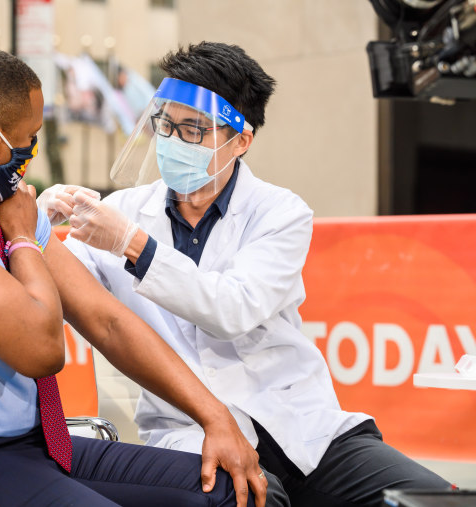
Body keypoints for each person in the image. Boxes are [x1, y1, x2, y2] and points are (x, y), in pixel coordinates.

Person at [40, 42, 452, 506]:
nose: (174, 142)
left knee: (430, 499)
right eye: (166, 125)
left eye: (193, 129)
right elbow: (54, 291)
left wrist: (133, 244)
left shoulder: (280, 213)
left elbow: (232, 308)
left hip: (297, 425)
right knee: (253, 499)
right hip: (191, 431)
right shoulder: (120, 213)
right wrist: (37, 223)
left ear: (241, 140)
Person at [0, 47, 269, 507]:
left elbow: (104, 319)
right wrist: (21, 238)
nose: (34, 148)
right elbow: (42, 349)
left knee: (231, 490)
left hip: (28, 447)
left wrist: (216, 419)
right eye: (29, 136)